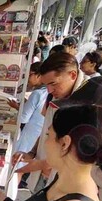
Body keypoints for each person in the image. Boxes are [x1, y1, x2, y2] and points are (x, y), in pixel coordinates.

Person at [15, 52, 87, 192]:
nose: (49, 90)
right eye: (46, 84)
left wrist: (43, 164)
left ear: (72, 75)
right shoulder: (53, 96)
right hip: (44, 174)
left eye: (53, 83)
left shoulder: (88, 103)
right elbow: (46, 130)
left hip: (66, 183)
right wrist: (32, 153)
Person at [10, 62, 47, 157]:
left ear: (39, 76)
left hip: (30, 135)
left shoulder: (37, 94)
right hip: (39, 135)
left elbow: (23, 118)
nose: (28, 78)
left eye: (30, 74)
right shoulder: (46, 92)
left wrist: (17, 107)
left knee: (19, 159)